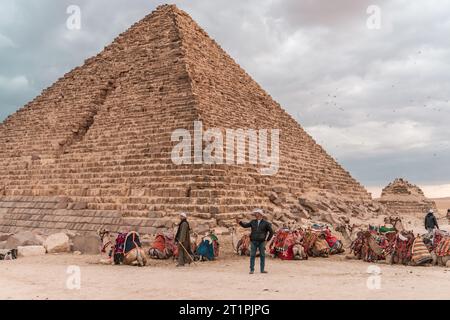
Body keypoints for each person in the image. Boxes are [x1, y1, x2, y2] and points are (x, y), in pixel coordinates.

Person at [236, 208, 274, 274]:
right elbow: (245, 225)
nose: (255, 214)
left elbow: (271, 232)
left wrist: (267, 240)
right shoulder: (253, 222)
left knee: (262, 255)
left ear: (259, 214)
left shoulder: (266, 223)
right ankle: (252, 269)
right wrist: (239, 222)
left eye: (256, 213)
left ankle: (262, 270)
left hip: (262, 242)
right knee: (252, 255)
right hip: (253, 241)